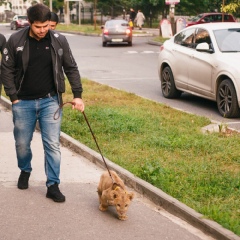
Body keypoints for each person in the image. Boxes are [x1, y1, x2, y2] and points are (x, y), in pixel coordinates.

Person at [1, 3, 84, 203]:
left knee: (52, 145)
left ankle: (53, 184)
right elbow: (6, 70)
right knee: (22, 144)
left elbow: (71, 68)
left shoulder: (59, 40)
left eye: (46, 26)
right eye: (38, 26)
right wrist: (13, 97)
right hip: (23, 102)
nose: (42, 30)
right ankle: (25, 170)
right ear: (30, 23)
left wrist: (78, 94)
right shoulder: (15, 40)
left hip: (50, 101)